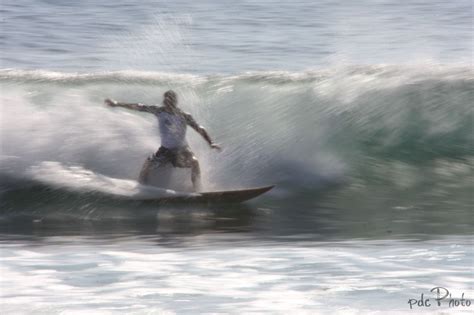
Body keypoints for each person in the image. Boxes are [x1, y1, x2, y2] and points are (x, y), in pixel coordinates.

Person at [105, 90, 221, 191]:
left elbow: (199, 128)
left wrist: (211, 143)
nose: (167, 103)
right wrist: (117, 104)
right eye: (166, 100)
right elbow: (139, 106)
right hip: (165, 151)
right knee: (147, 165)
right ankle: (141, 190)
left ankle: (198, 191)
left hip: (182, 150)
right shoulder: (159, 111)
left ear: (175, 102)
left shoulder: (184, 115)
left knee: (194, 163)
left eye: (170, 100)